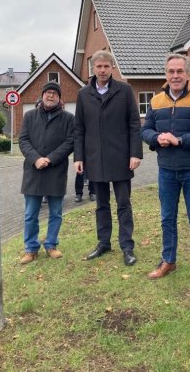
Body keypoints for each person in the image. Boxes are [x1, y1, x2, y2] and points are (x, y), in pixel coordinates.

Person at [141, 53, 190, 286]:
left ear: (188, 73)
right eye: (171, 72)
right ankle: (168, 260)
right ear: (166, 74)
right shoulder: (156, 102)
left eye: (179, 71)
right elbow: (145, 130)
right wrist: (157, 138)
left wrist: (180, 140)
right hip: (166, 170)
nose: (175, 76)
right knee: (167, 218)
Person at [74, 50, 142, 267]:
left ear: (112, 67)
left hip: (121, 157)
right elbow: (79, 128)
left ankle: (127, 246)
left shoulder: (124, 90)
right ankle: (104, 243)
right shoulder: (83, 94)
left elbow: (134, 123)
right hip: (94, 159)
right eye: (98, 66)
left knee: (123, 204)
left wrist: (135, 153)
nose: (102, 70)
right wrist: (79, 157)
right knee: (101, 204)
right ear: (92, 69)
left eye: (106, 66)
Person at [19, 81, 74, 264]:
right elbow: (23, 140)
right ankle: (31, 249)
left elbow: (70, 142)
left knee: (56, 212)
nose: (51, 96)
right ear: (42, 95)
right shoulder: (29, 116)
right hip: (33, 171)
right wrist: (36, 159)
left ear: (59, 98)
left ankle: (51, 245)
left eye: (54, 93)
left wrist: (50, 159)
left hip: (55, 171)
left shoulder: (68, 119)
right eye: (48, 93)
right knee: (30, 214)